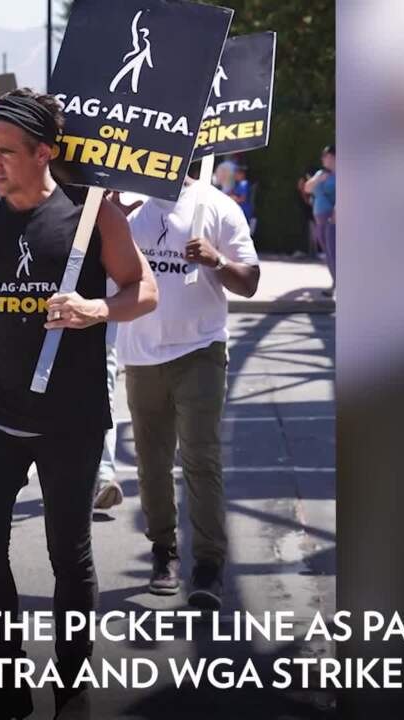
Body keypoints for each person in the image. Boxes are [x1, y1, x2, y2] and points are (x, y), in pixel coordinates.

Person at [0, 88, 157, 717]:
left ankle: (71, 690)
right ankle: (7, 690)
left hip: (71, 417)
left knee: (70, 553)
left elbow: (144, 292)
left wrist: (97, 309)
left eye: (6, 152)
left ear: (45, 153)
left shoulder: (92, 212)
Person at [115, 169, 260, 610]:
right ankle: (164, 553)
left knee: (201, 458)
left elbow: (250, 282)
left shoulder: (218, 206)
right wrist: (110, 225)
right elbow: (92, 271)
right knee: (151, 464)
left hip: (200, 349)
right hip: (142, 354)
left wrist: (216, 260)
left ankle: (210, 564)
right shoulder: (129, 207)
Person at [304, 145, 336, 295]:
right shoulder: (321, 173)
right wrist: (318, 179)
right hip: (319, 218)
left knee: (334, 251)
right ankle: (335, 283)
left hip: (333, 217)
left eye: (326, 156)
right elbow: (307, 188)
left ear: (334, 157)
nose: (323, 159)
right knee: (328, 253)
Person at [229, 165, 257, 234]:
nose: (235, 175)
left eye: (236, 173)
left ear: (242, 174)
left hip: (244, 211)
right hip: (241, 211)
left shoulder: (243, 184)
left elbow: (242, 198)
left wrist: (231, 199)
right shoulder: (239, 184)